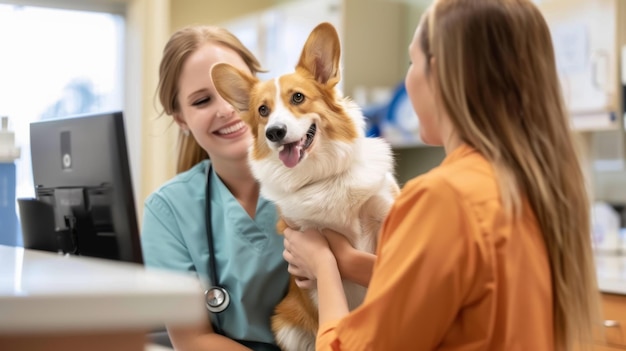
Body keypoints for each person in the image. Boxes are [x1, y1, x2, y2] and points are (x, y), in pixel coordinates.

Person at [282, 0, 601, 350]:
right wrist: (351, 262)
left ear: (441, 72)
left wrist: (323, 265)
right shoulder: (537, 188)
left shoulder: (442, 198)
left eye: (411, 61)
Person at [140, 25, 290, 351]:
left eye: (234, 87)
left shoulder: (320, 175)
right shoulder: (169, 211)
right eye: (202, 100)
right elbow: (193, 340)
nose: (225, 108)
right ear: (180, 119)